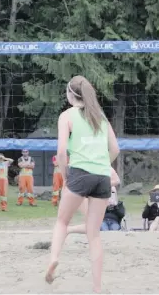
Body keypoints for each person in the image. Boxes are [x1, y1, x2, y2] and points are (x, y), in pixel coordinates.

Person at [45, 75, 120, 293]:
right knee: (93, 233)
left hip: (79, 173)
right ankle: (97, 288)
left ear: (70, 94)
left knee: (61, 221)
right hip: (101, 177)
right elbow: (115, 149)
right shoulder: (100, 117)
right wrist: (102, 163)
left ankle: (54, 258)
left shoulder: (66, 116)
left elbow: (60, 152)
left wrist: (65, 175)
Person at [65, 168, 121, 234]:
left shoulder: (106, 168)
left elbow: (117, 180)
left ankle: (68, 229)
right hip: (88, 194)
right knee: (93, 225)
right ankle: (68, 230)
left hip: (105, 202)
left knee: (110, 228)